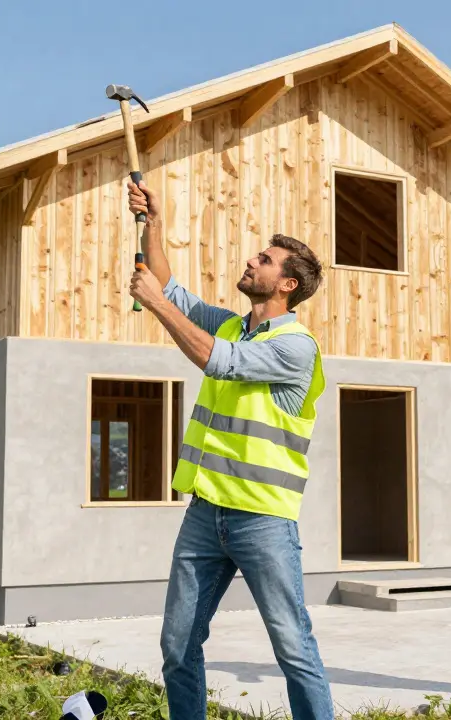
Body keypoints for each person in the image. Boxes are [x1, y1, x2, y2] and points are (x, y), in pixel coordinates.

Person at [124, 179, 335, 720]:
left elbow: (215, 359)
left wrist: (154, 306)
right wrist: (155, 223)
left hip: (262, 518)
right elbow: (171, 290)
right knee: (177, 646)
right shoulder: (236, 327)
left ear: (286, 284)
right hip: (205, 512)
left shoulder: (294, 347)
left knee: (293, 648)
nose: (251, 260)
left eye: (263, 259)